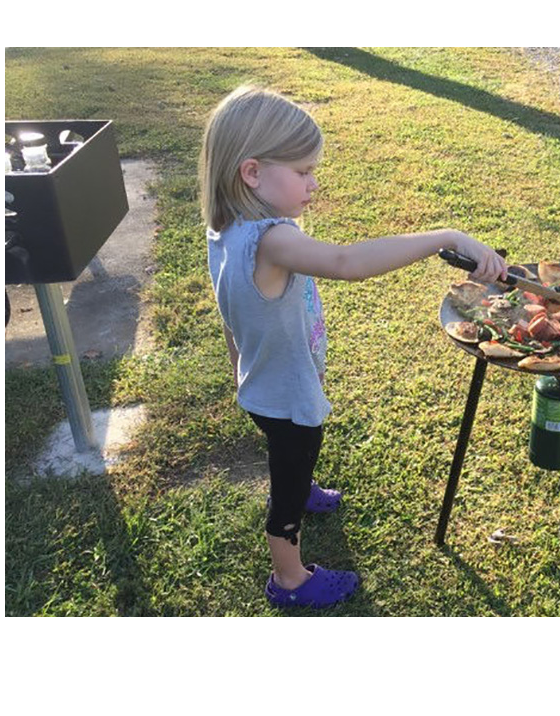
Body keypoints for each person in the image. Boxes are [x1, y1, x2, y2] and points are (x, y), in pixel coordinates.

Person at [200, 85, 507, 609]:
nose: (313, 184)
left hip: (262, 385)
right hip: (288, 398)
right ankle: (291, 578)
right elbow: (347, 263)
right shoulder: (273, 240)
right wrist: (446, 236)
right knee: (288, 482)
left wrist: (240, 374)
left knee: (290, 459)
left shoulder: (226, 229)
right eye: (302, 172)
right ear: (252, 172)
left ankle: (300, 485)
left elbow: (231, 321)